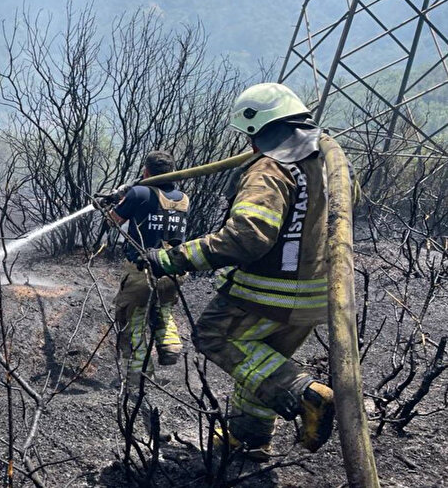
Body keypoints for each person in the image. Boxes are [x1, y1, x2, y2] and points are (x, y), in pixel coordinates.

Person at [143, 83, 336, 461]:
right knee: (258, 364)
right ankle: (249, 439)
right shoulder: (322, 163)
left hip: (268, 292)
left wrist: (173, 258)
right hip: (314, 294)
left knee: (215, 335)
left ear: (257, 131)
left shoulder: (269, 169)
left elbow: (246, 239)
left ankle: (305, 392)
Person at [101, 151, 190, 387]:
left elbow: (112, 221)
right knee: (163, 311)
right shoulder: (183, 198)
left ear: (146, 171)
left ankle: (138, 379)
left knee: (132, 324)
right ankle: (170, 345)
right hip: (173, 270)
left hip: (142, 271)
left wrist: (113, 201)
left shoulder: (140, 192)